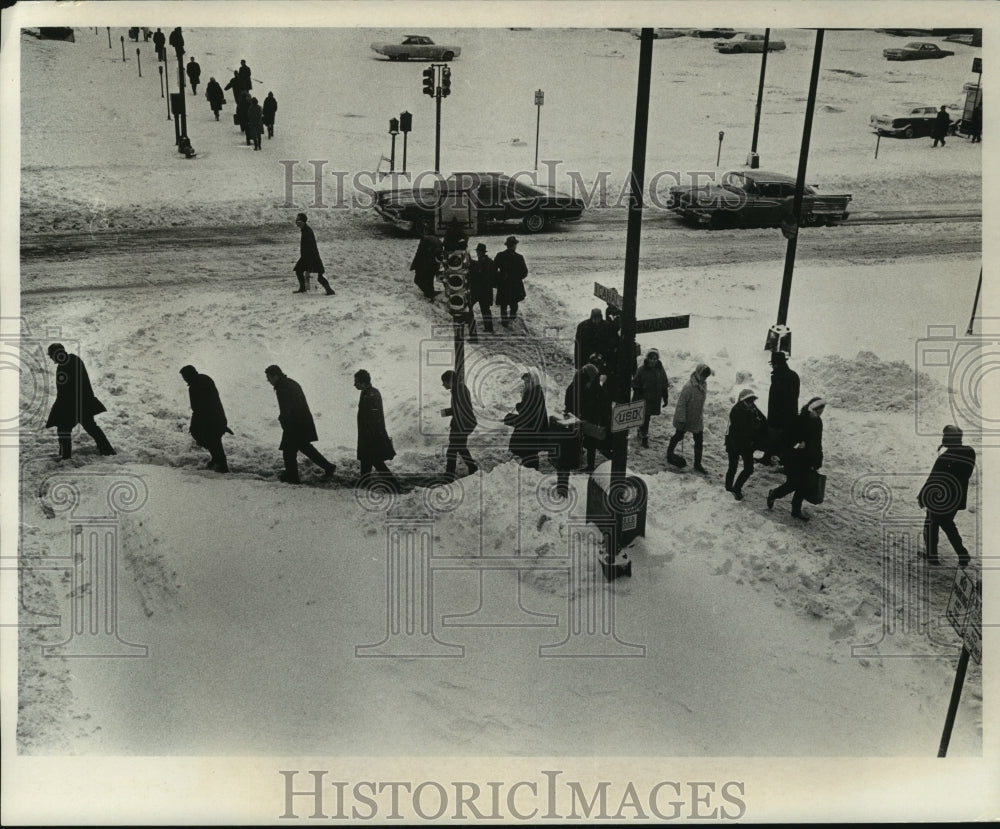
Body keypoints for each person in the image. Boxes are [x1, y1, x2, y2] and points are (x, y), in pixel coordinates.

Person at [265, 365, 336, 484]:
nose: (269, 381)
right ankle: (328, 467)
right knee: (304, 447)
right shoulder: (290, 383)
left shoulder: (282, 387)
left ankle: (293, 479)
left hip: (294, 424)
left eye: (269, 378)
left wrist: (284, 420)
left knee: (288, 452)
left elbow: (287, 408)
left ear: (275, 376)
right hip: (301, 422)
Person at [44, 343, 116, 459]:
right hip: (82, 404)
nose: (51, 358)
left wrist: (59, 410)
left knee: (64, 430)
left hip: (74, 406)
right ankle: (107, 450)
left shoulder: (66, 365)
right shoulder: (73, 360)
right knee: (91, 427)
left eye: (51, 355)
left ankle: (65, 457)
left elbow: (65, 392)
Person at [918, 425, 976, 567]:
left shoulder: (946, 457)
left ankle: (935, 556)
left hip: (941, 498)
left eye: (946, 438)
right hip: (956, 499)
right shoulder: (969, 452)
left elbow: (933, 478)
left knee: (932, 524)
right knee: (946, 524)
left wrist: (922, 495)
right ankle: (962, 555)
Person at [767, 396, 825, 521]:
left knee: (804, 485)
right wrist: (798, 445)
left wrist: (818, 458)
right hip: (794, 458)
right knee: (792, 483)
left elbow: (817, 442)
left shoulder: (818, 422)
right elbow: (786, 438)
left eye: (821, 410)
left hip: (808, 459)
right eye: (818, 410)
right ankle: (774, 494)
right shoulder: (799, 420)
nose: (820, 413)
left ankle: (796, 510)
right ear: (811, 408)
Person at [179, 365, 233, 472]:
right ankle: (217, 460)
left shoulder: (195, 387)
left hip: (210, 421)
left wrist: (194, 425)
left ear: (189, 375)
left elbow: (197, 408)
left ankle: (222, 465)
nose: (184, 379)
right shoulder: (205, 378)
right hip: (217, 417)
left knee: (212, 441)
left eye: (184, 377)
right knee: (214, 441)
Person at [354, 369, 398, 486]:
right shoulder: (367, 393)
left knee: (375, 461)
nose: (355, 385)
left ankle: (394, 484)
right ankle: (364, 482)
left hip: (372, 436)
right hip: (368, 435)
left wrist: (371, 437)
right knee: (366, 460)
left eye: (357, 382)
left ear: (363, 382)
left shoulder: (371, 395)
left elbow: (374, 419)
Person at [565, 363, 611, 472]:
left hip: (588, 417)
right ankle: (580, 458)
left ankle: (588, 464)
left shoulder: (593, 387)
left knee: (589, 440)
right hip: (584, 416)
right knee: (588, 440)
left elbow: (601, 405)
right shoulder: (584, 383)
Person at [724, 389, 767, 501]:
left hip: (746, 444)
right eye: (749, 401)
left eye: (752, 401)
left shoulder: (752, 408)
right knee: (732, 467)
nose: (751, 403)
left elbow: (763, 420)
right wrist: (756, 427)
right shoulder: (736, 411)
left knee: (748, 469)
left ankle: (736, 488)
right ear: (742, 400)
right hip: (735, 443)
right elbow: (745, 430)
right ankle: (728, 489)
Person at [667, 363, 711, 471]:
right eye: (703, 375)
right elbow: (681, 405)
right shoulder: (689, 387)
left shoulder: (703, 384)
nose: (704, 378)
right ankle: (669, 453)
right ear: (697, 373)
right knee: (678, 436)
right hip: (685, 418)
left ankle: (697, 464)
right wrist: (681, 419)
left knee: (699, 441)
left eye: (706, 377)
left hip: (696, 418)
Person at [760, 350, 800, 466]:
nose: (772, 366)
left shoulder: (779, 376)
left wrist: (776, 415)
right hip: (789, 414)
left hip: (777, 415)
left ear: (776, 363)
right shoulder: (793, 375)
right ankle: (780, 461)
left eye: (773, 364)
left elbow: (779, 399)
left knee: (775, 436)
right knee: (785, 439)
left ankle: (770, 459)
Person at [504, 369, 549, 470]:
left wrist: (513, 417)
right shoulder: (535, 391)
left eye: (527, 382)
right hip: (532, 428)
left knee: (529, 452)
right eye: (525, 382)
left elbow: (528, 413)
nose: (525, 384)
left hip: (531, 429)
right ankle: (531, 470)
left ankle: (532, 471)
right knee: (529, 452)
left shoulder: (533, 393)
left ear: (532, 381)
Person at [441, 370, 478, 478]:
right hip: (462, 424)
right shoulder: (458, 389)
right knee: (461, 448)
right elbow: (460, 408)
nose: (443, 384)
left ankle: (449, 474)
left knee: (452, 450)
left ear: (450, 381)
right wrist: (448, 412)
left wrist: (458, 427)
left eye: (444, 382)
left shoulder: (459, 390)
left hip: (462, 425)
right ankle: (472, 468)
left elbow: (463, 409)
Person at [631, 349, 670, 448]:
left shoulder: (660, 370)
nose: (653, 361)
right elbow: (634, 383)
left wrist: (665, 397)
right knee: (645, 417)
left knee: (646, 417)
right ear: (647, 359)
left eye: (655, 359)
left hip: (654, 398)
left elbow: (664, 384)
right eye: (651, 358)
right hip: (643, 398)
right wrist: (640, 391)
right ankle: (644, 436)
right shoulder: (641, 369)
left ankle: (641, 431)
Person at [293, 213, 335, 295]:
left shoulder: (307, 231)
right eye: (296, 220)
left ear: (303, 222)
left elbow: (311, 248)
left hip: (311, 257)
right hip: (306, 257)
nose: (296, 222)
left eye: (298, 220)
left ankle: (330, 290)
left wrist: (309, 262)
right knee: (298, 270)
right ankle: (303, 288)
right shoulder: (305, 230)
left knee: (318, 276)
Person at [494, 236, 528, 328]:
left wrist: (500, 278)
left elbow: (493, 270)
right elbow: (524, 272)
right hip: (514, 285)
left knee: (503, 304)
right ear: (514, 246)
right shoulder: (519, 257)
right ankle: (512, 318)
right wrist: (516, 278)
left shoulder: (500, 255)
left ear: (507, 245)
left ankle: (504, 322)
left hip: (504, 284)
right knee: (514, 303)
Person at [468, 242, 497, 333]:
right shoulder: (491, 262)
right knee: (486, 310)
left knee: (468, 307)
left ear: (480, 252)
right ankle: (489, 328)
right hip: (487, 290)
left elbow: (475, 274)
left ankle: (470, 325)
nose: (477, 253)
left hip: (478, 290)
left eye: (478, 251)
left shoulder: (479, 263)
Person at [409, 231, 442, 300]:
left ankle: (429, 293)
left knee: (417, 280)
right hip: (433, 264)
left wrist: (415, 265)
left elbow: (419, 253)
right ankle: (429, 292)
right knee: (429, 279)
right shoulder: (438, 241)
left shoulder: (425, 239)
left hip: (424, 263)